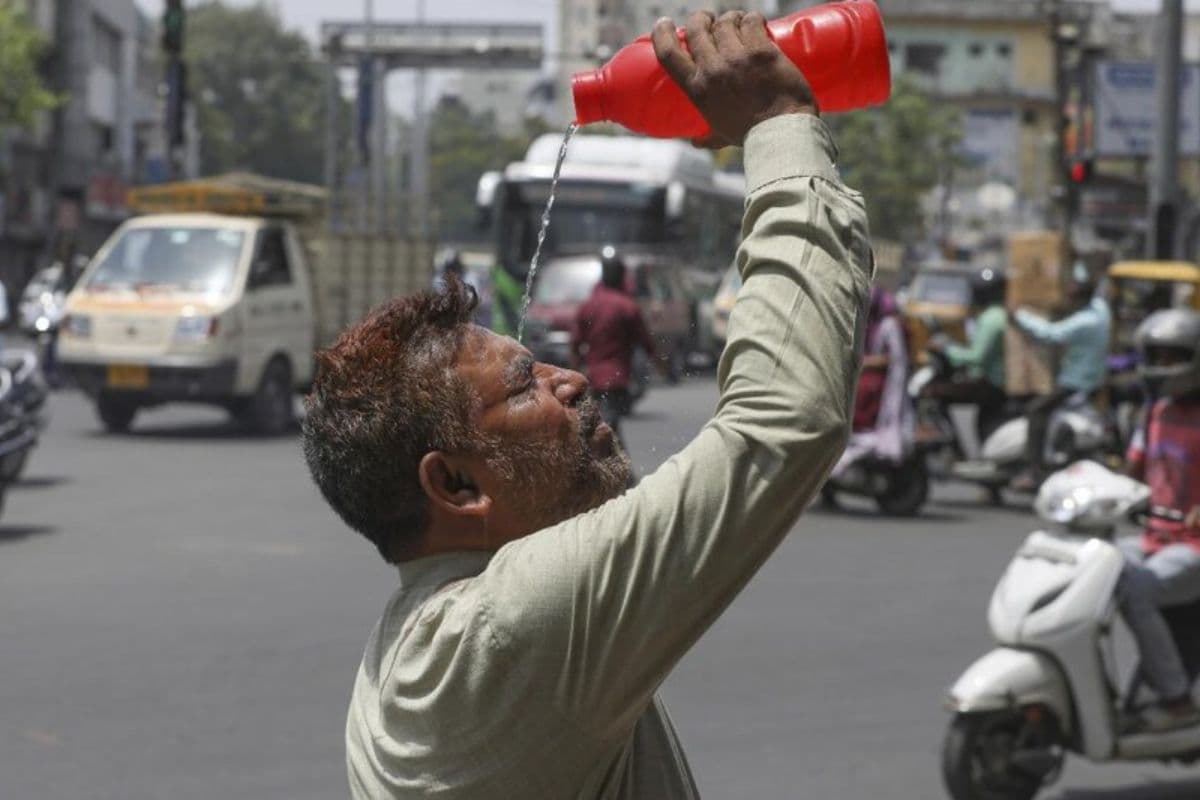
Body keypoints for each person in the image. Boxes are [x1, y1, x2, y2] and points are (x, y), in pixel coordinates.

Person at [301, 11, 871, 798]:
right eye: (524, 387)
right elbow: (784, 418)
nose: (569, 381)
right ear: (456, 485)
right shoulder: (514, 626)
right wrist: (778, 124)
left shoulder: (421, 639)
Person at [1117, 309, 1200, 731]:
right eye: (1157, 356)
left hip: (1193, 547)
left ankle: (1176, 696)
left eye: (1173, 357)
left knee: (1136, 591)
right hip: (1154, 537)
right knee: (1092, 567)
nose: (1163, 366)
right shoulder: (1155, 412)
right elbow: (1131, 471)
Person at [1009, 262, 1112, 492]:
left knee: (1036, 410)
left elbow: (1050, 333)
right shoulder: (1101, 310)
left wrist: (1019, 314)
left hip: (1076, 382)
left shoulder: (1085, 321)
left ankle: (1033, 471)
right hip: (1090, 380)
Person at [569, 246, 659, 441]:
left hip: (594, 379)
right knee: (609, 430)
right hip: (617, 379)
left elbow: (575, 343)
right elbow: (645, 341)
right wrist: (660, 363)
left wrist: (576, 373)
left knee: (603, 428)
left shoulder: (589, 305)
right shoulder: (627, 307)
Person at [925, 267, 1007, 441]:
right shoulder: (997, 315)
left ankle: (949, 440)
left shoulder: (991, 319)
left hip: (992, 384)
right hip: (991, 382)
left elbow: (977, 357)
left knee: (933, 390)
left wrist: (947, 350)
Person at [834, 286, 910, 476]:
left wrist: (863, 362)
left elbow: (895, 359)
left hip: (882, 383)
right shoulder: (867, 324)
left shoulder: (888, 325)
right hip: (867, 378)